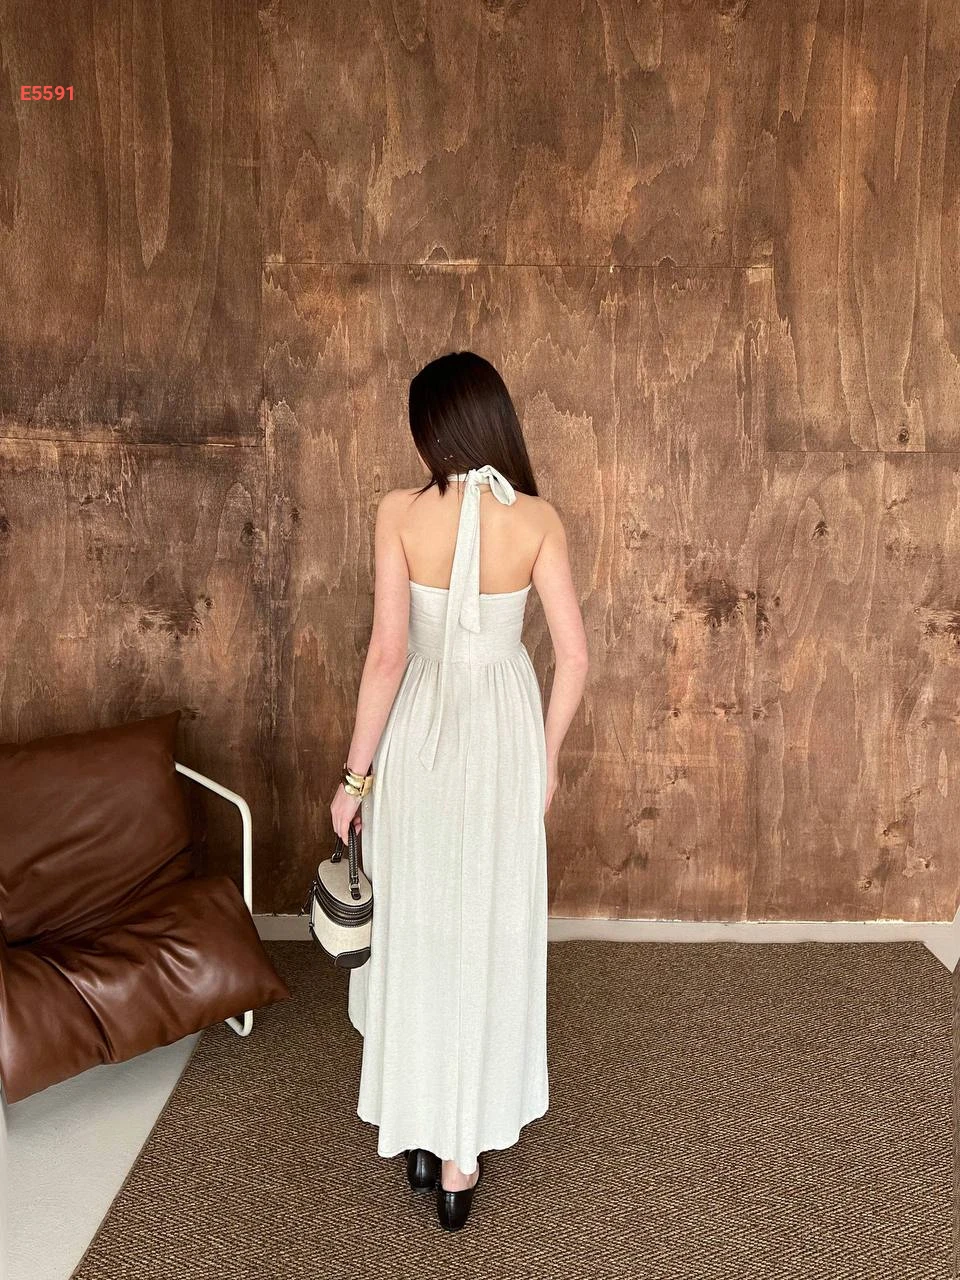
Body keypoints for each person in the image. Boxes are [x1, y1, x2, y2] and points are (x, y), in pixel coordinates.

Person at [330, 350, 589, 1232]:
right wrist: (545, 758)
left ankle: (415, 1116)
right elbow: (574, 659)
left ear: (432, 432)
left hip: (420, 734)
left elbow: (387, 656)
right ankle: (459, 1156)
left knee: (421, 921)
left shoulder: (398, 512)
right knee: (487, 925)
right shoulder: (539, 519)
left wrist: (354, 778)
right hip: (503, 738)